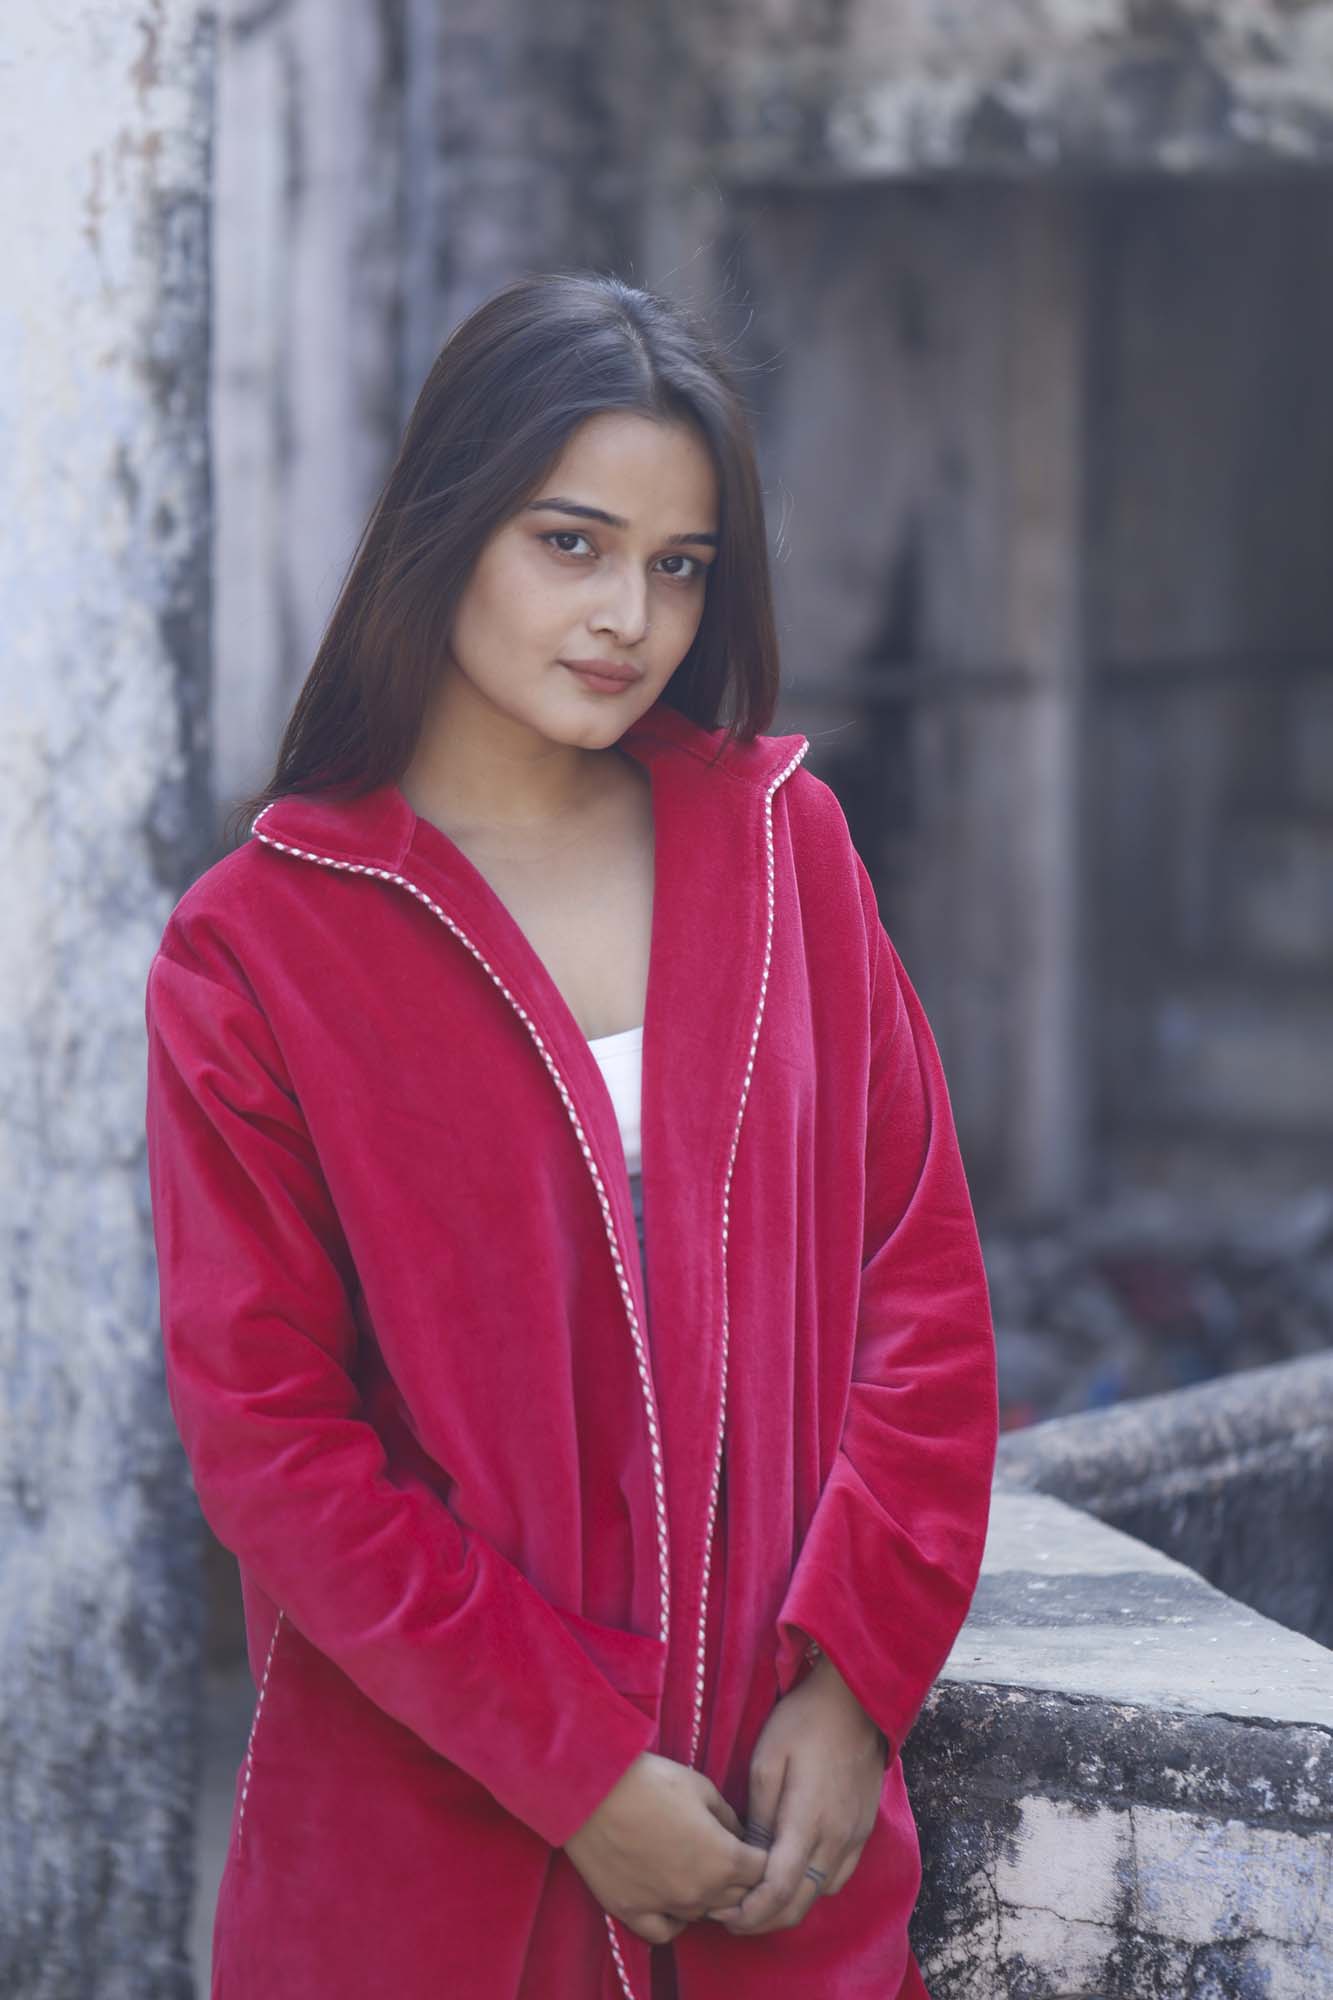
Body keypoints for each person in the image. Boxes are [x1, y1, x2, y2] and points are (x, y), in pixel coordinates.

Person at [144, 269, 998, 2000]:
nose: (629, 616)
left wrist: (855, 1691)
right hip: (423, 1881)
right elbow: (276, 1445)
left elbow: (919, 1298)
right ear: (448, 527)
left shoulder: (786, 854)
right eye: (571, 543)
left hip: (784, 1866)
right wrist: (578, 1772)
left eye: (679, 566)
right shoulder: (260, 945)